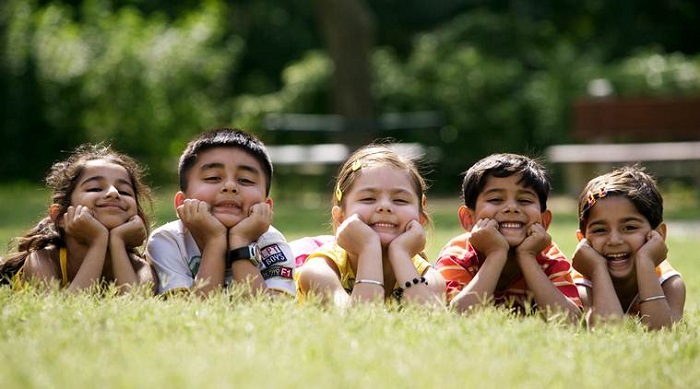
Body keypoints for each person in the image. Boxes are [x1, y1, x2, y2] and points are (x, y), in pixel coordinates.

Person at [146, 128, 295, 296]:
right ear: (181, 203)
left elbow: (270, 312)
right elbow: (189, 311)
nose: (230, 186)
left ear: (266, 206)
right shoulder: (167, 240)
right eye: (213, 178)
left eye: (245, 180)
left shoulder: (270, 242)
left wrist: (241, 241)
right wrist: (215, 241)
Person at [295, 143, 445, 307]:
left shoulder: (429, 277)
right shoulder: (320, 270)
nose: (385, 207)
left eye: (400, 200)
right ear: (340, 218)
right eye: (368, 199)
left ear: (420, 218)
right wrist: (369, 249)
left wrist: (401, 253)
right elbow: (359, 322)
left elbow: (433, 320)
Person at [435, 153, 581, 320]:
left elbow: (572, 322)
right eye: (496, 199)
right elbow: (455, 317)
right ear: (469, 218)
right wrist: (496, 254)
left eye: (524, 200)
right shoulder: (458, 254)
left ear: (544, 220)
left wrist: (527, 257)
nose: (511, 208)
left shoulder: (549, 256)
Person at [0, 143, 155, 292]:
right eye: (95, 188)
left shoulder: (140, 268)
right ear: (59, 216)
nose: (113, 192)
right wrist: (98, 241)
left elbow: (133, 306)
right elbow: (60, 312)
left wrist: (118, 242)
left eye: (125, 192)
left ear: (138, 216)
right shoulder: (43, 260)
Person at [572, 165, 685, 329]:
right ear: (582, 240)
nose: (614, 240)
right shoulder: (580, 283)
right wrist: (597, 269)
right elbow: (608, 332)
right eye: (600, 230)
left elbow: (662, 332)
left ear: (658, 235)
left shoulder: (668, 282)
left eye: (630, 228)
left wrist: (645, 262)